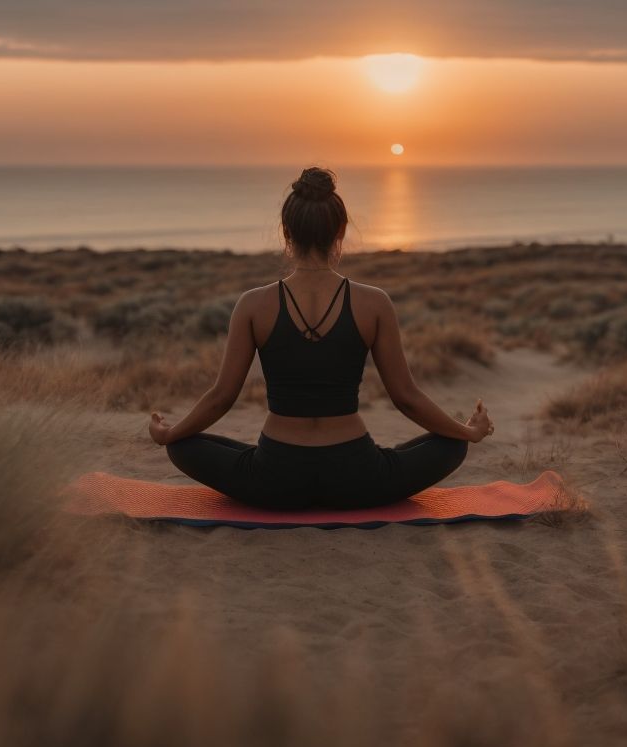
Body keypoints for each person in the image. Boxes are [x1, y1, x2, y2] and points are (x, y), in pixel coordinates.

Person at [147, 166, 494, 511]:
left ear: (287, 232)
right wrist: (466, 432)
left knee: (184, 446)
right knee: (451, 446)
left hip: (276, 477)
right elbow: (406, 398)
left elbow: (221, 398)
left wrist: (170, 434)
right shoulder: (374, 303)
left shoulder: (253, 305)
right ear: (340, 231)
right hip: (356, 476)